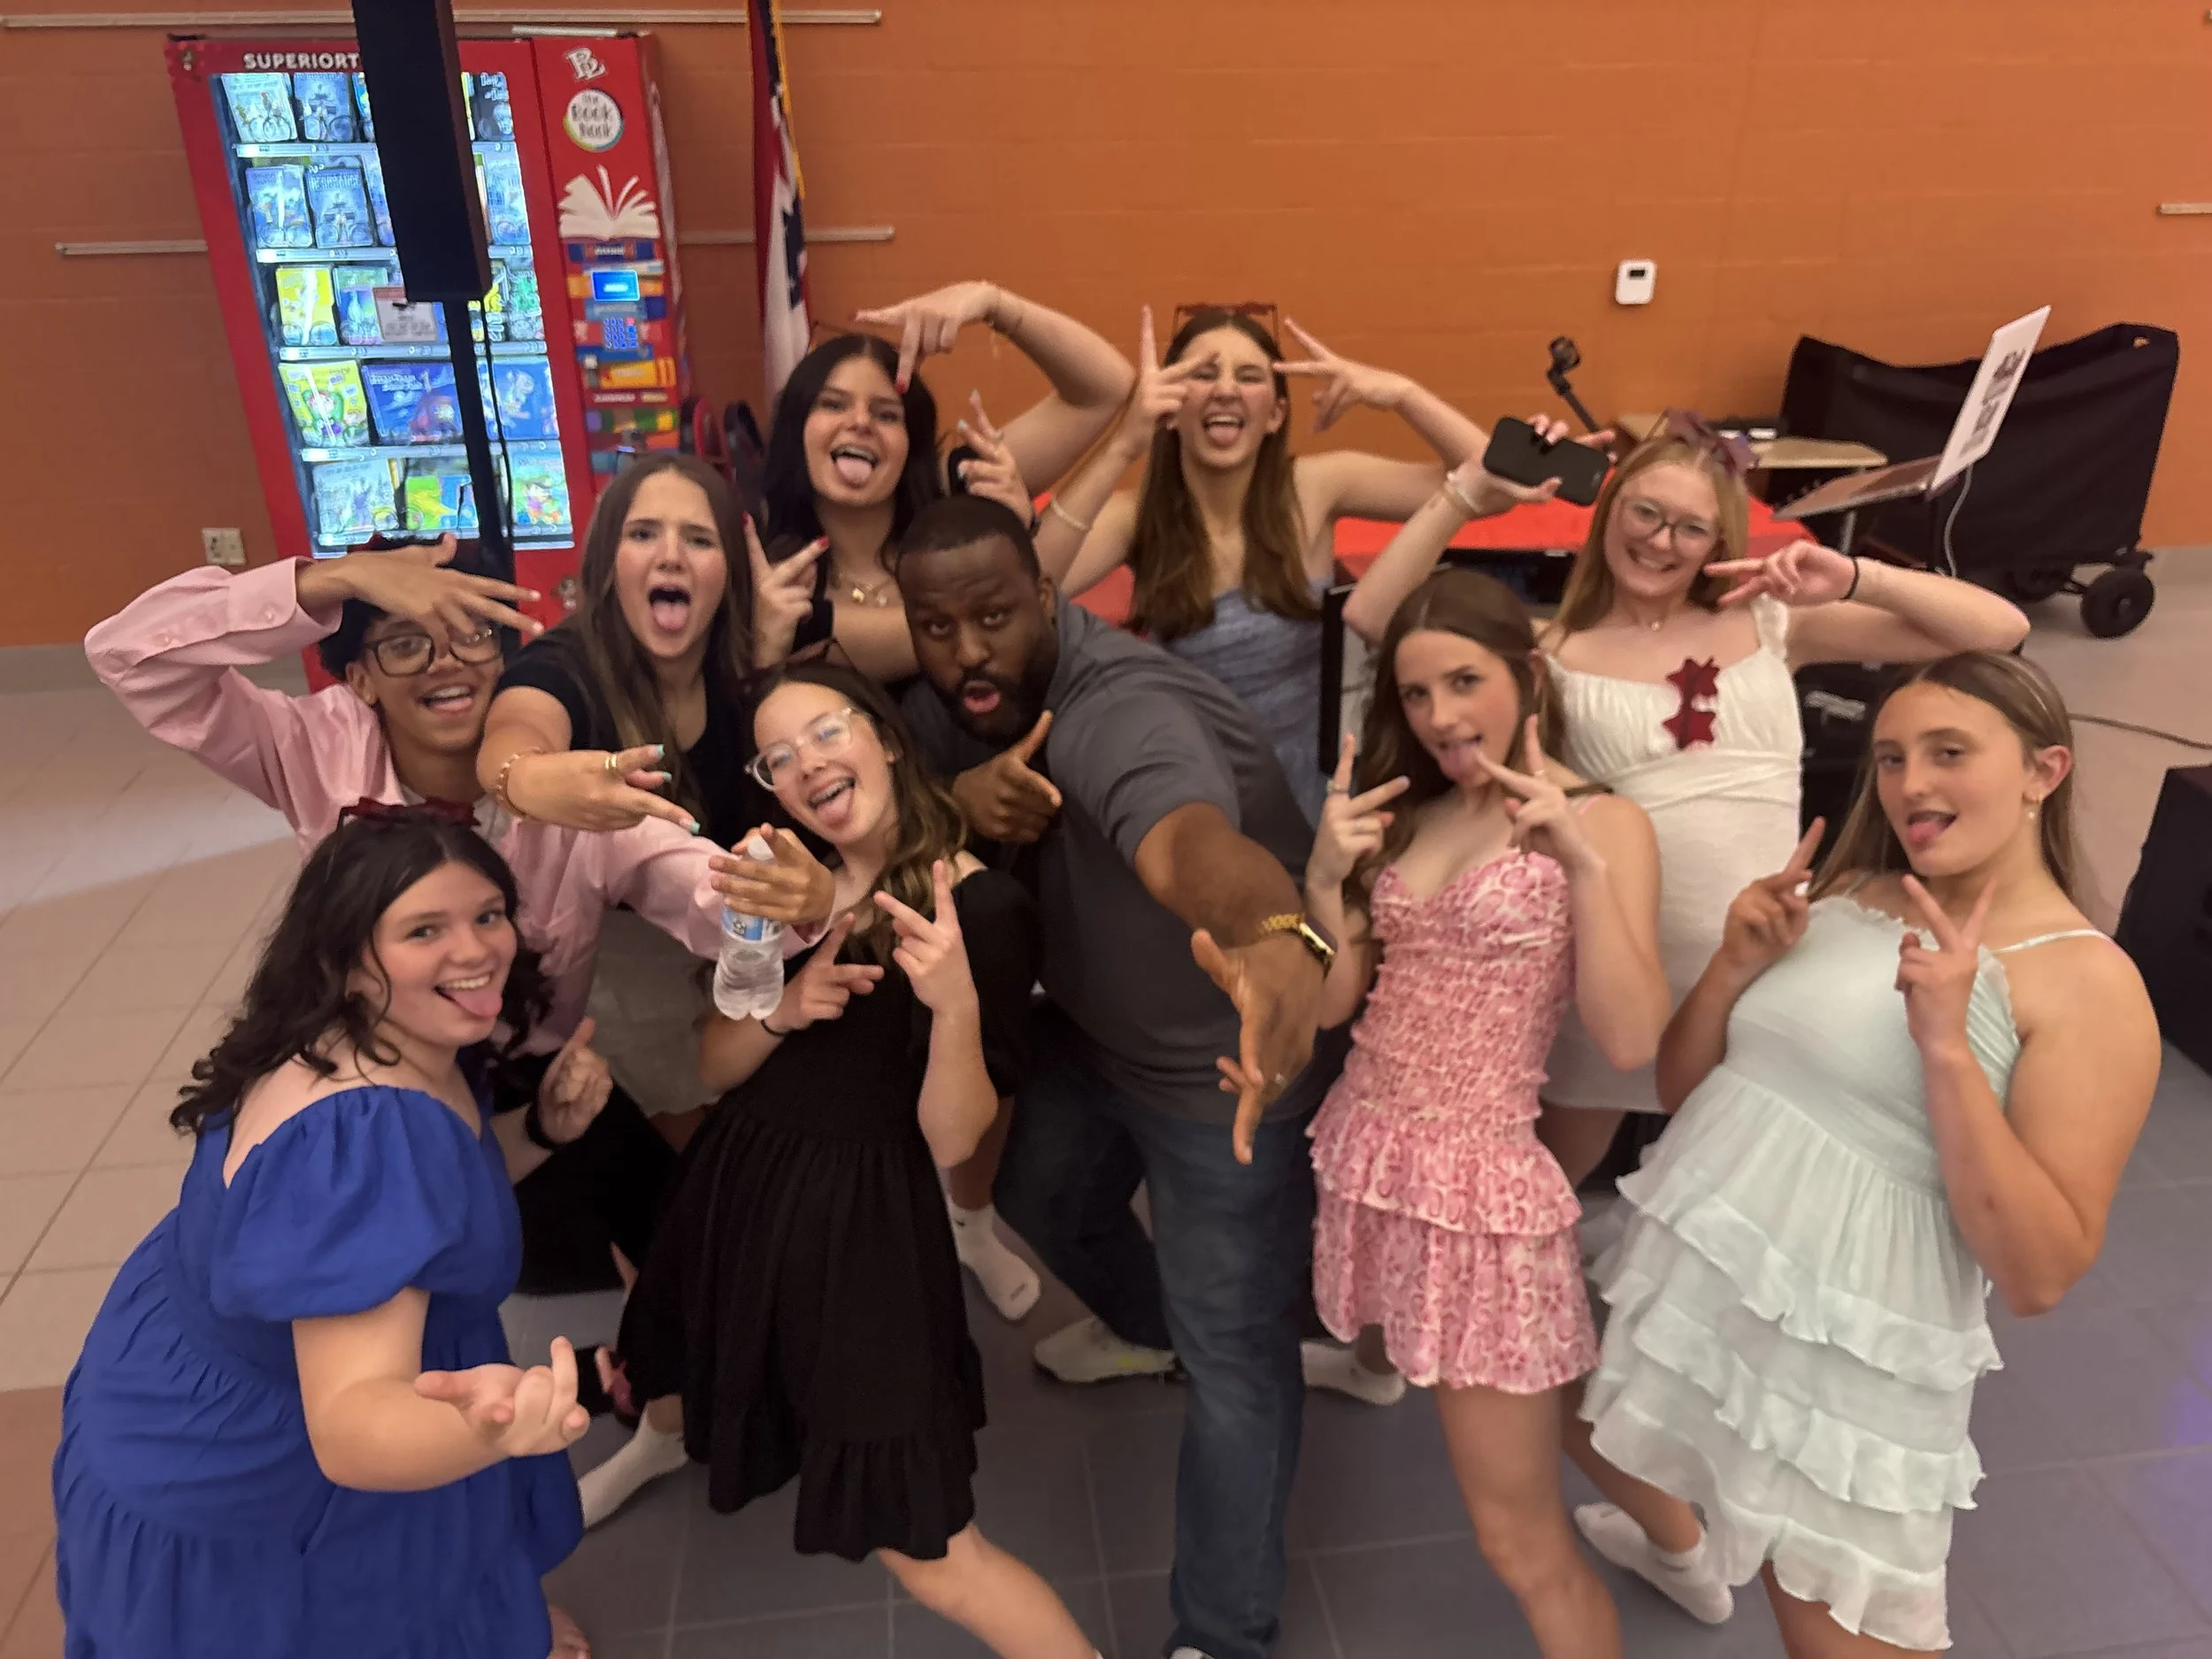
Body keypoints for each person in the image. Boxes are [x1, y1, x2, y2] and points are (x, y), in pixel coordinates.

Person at [1570, 652, 2159, 1655]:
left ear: (2042, 771)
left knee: (1831, 1639)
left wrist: (1945, 1049)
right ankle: (1680, 1551)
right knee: (1587, 1419)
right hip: (1719, 1285)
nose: (1909, 785)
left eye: (1948, 753)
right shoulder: (1848, 889)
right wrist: (1732, 965)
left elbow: (2039, 1272)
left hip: (1846, 1357)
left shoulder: (2084, 985)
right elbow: (1686, 1094)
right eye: (1889, 758)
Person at [82, 537, 827, 1313]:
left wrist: (779, 893)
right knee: (402, 1274)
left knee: (689, 1233)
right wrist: (326, 580)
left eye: (473, 632)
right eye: (406, 641)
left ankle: (648, 1379)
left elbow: (696, 882)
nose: (448, 663)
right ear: (359, 678)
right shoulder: (314, 746)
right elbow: (131, 658)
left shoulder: (562, 776)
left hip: (528, 1070)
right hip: (371, 1072)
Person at [572, 664, 1101, 1659]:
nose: (809, 764)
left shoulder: (974, 909)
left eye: (826, 731)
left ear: (887, 738)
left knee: (935, 1551)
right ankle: (658, 1441)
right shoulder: (784, 888)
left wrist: (951, 1006)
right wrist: (784, 1009)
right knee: (691, 1364)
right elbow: (713, 1061)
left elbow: (954, 1140)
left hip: (859, 1241)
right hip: (740, 1196)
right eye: (780, 756)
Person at [894, 495, 1330, 1659]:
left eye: (993, 614)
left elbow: (1186, 838)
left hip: (1215, 1068)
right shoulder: (963, 707)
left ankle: (1225, 1633)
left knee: (1239, 1354)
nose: (966, 649)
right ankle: (1156, 1322)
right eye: (935, 625)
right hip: (1093, 1037)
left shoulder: (1114, 707)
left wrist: (1274, 931)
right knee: (1038, 1194)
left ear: (1048, 598)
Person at [53, 808, 602, 1659]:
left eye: (488, 914)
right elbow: (351, 1427)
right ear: (347, 958)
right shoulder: (368, 1140)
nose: (477, 950)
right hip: (273, 1477)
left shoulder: (350, 1033)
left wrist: (542, 1134)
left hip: (186, 1381)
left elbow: (423, 1228)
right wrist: (496, 1430)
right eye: (426, 928)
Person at [1299, 572, 1669, 1656]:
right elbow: (1332, 1007)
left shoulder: (1603, 824)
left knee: (1518, 1541)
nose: (1441, 717)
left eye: (1464, 682)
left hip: (1481, 1196)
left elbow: (1629, 1038)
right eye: (1415, 695)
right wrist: (1323, 887)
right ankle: (1683, 1541)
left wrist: (1583, 868)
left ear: (1527, 676)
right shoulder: (1406, 812)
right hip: (1373, 1152)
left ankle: (1681, 1541)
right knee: (1550, 1417)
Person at [1530, 413, 2032, 1190]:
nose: (1662, 543)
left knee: (1743, 1161)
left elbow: (2000, 630)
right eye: (1646, 514)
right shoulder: (1554, 655)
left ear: (1720, 541)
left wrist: (1856, 575)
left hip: (1763, 949)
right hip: (1628, 953)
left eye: (1691, 528)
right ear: (1610, 512)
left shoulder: (1770, 622)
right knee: (1558, 1163)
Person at [1031, 305, 1500, 823]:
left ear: (1275, 414)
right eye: (1203, 374)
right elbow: (1030, 586)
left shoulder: (1316, 489)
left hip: (1320, 785)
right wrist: (1123, 445)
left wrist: (1401, 395)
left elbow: (1492, 481)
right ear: (1170, 406)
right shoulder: (1136, 517)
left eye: (1248, 376)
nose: (1226, 389)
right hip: (1203, 788)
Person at [749, 280, 1136, 681]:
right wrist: (1010, 556)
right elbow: (935, 639)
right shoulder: (768, 566)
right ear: (797, 428)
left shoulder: (953, 489)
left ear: (910, 444)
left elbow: (1104, 390)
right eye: (832, 405)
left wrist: (992, 302)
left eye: (887, 414)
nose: (860, 423)